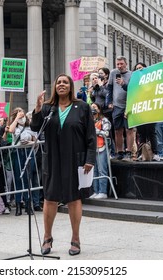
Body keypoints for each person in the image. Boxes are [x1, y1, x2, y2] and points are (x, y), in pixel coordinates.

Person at [31, 74, 96, 256]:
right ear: (54, 87)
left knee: (74, 198)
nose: (61, 84)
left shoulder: (82, 107)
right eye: (58, 82)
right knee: (50, 198)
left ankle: (75, 239)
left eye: (65, 82)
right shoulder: (47, 108)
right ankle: (47, 237)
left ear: (70, 86)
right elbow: (36, 128)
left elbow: (91, 135)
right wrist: (37, 107)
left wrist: (90, 159)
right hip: (52, 159)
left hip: (74, 159)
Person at [106, 56, 134, 160]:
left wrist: (123, 84)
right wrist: (109, 101)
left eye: (121, 64)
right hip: (116, 105)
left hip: (128, 105)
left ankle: (129, 151)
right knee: (117, 130)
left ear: (126, 64)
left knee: (129, 129)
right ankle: (119, 151)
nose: (119, 66)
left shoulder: (132, 74)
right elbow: (109, 88)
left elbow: (133, 89)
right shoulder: (113, 73)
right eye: (117, 64)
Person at [89, 102, 111, 199]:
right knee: (94, 170)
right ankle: (96, 190)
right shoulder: (89, 121)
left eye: (95, 107)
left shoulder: (104, 120)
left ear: (99, 109)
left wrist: (95, 130)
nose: (93, 109)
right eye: (91, 107)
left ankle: (103, 191)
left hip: (102, 148)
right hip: (93, 148)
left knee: (102, 170)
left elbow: (106, 133)